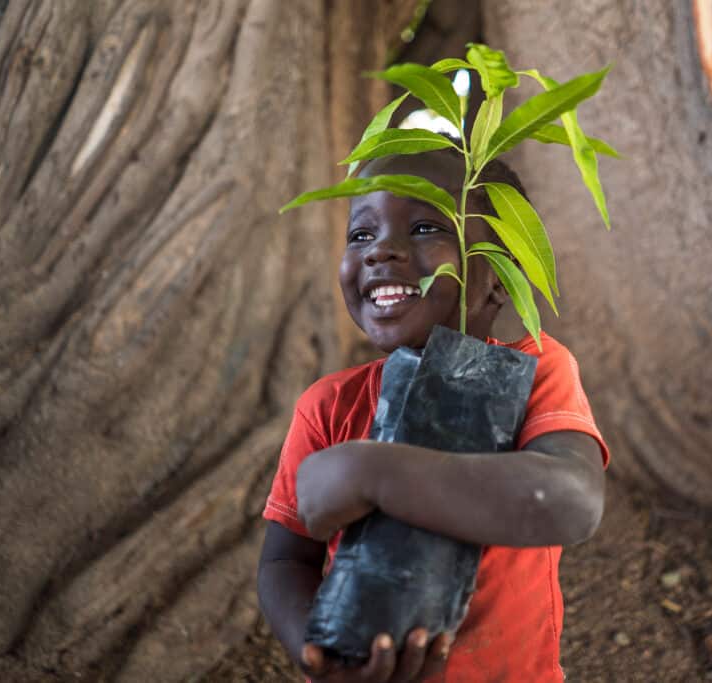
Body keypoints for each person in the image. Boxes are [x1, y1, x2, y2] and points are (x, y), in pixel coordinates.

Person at [258, 148, 609, 682]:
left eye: (425, 227)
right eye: (361, 235)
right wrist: (321, 656)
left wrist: (372, 474)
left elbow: (572, 500)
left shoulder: (534, 370)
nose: (381, 251)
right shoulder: (329, 406)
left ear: (499, 275)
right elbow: (286, 562)